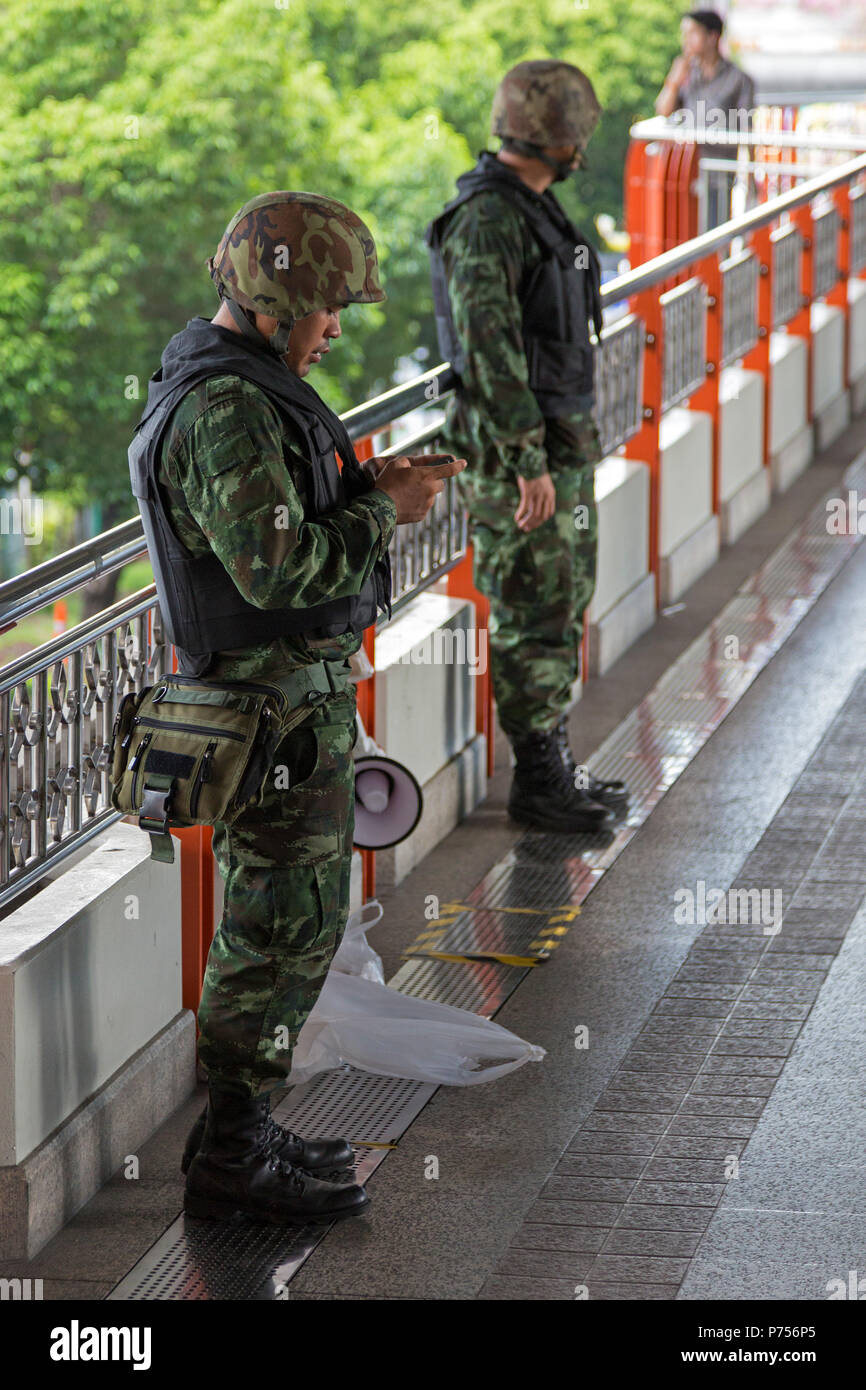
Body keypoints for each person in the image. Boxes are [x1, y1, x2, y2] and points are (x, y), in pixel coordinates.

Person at [128, 191, 464, 1225]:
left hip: (286, 709)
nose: (332, 331)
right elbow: (273, 571)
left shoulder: (251, 387)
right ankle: (228, 1156)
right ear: (275, 305)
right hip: (262, 716)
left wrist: (366, 481)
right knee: (270, 934)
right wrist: (382, 508)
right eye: (326, 311)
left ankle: (243, 1128)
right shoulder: (224, 406)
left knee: (294, 927)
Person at [426, 59, 629, 835]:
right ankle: (539, 783)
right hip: (526, 463)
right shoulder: (487, 220)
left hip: (556, 448)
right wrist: (524, 459)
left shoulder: (530, 210)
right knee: (530, 615)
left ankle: (557, 767)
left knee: (561, 606)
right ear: (561, 138)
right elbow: (488, 351)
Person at [655, 10, 756, 228]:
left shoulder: (739, 79)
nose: (686, 40)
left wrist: (752, 178)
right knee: (681, 230)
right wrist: (673, 81)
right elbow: (663, 111)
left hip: (719, 173)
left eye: (692, 33)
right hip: (683, 171)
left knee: (715, 232)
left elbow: (747, 130)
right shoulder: (686, 74)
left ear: (712, 37)